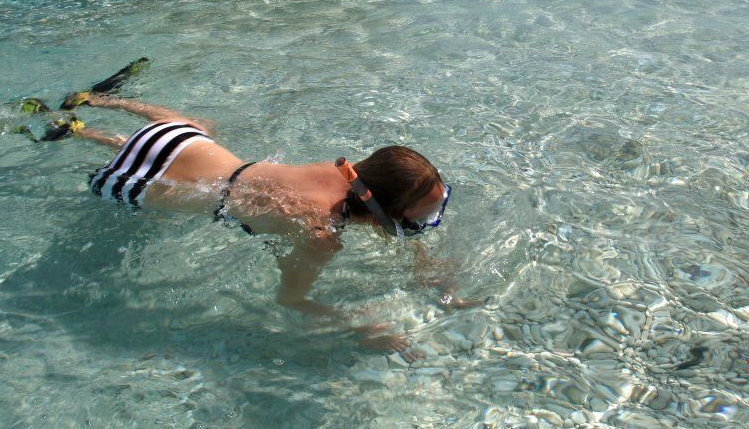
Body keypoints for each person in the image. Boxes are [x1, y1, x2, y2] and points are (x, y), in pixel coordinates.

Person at [45, 89, 455, 356]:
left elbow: (382, 214)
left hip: (178, 140)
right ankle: (79, 135)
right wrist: (360, 327)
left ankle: (95, 104)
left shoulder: (349, 173)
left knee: (201, 128)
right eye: (418, 219)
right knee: (150, 203)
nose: (421, 224)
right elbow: (290, 300)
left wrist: (423, 263)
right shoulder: (322, 236)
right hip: (144, 187)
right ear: (382, 209)